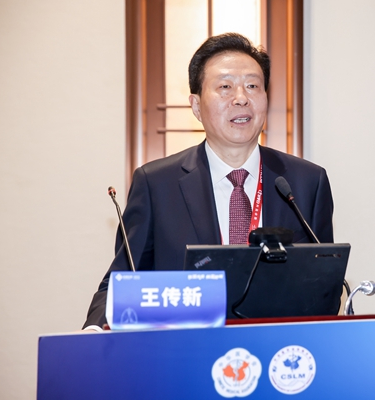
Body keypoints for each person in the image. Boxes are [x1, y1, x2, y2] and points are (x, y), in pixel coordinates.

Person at [83, 33, 334, 330]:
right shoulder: (156, 185)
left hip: (276, 349)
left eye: (253, 86)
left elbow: (325, 286)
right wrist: (94, 331)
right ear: (196, 105)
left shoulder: (306, 183)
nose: (241, 98)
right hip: (186, 349)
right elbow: (120, 284)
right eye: (225, 87)